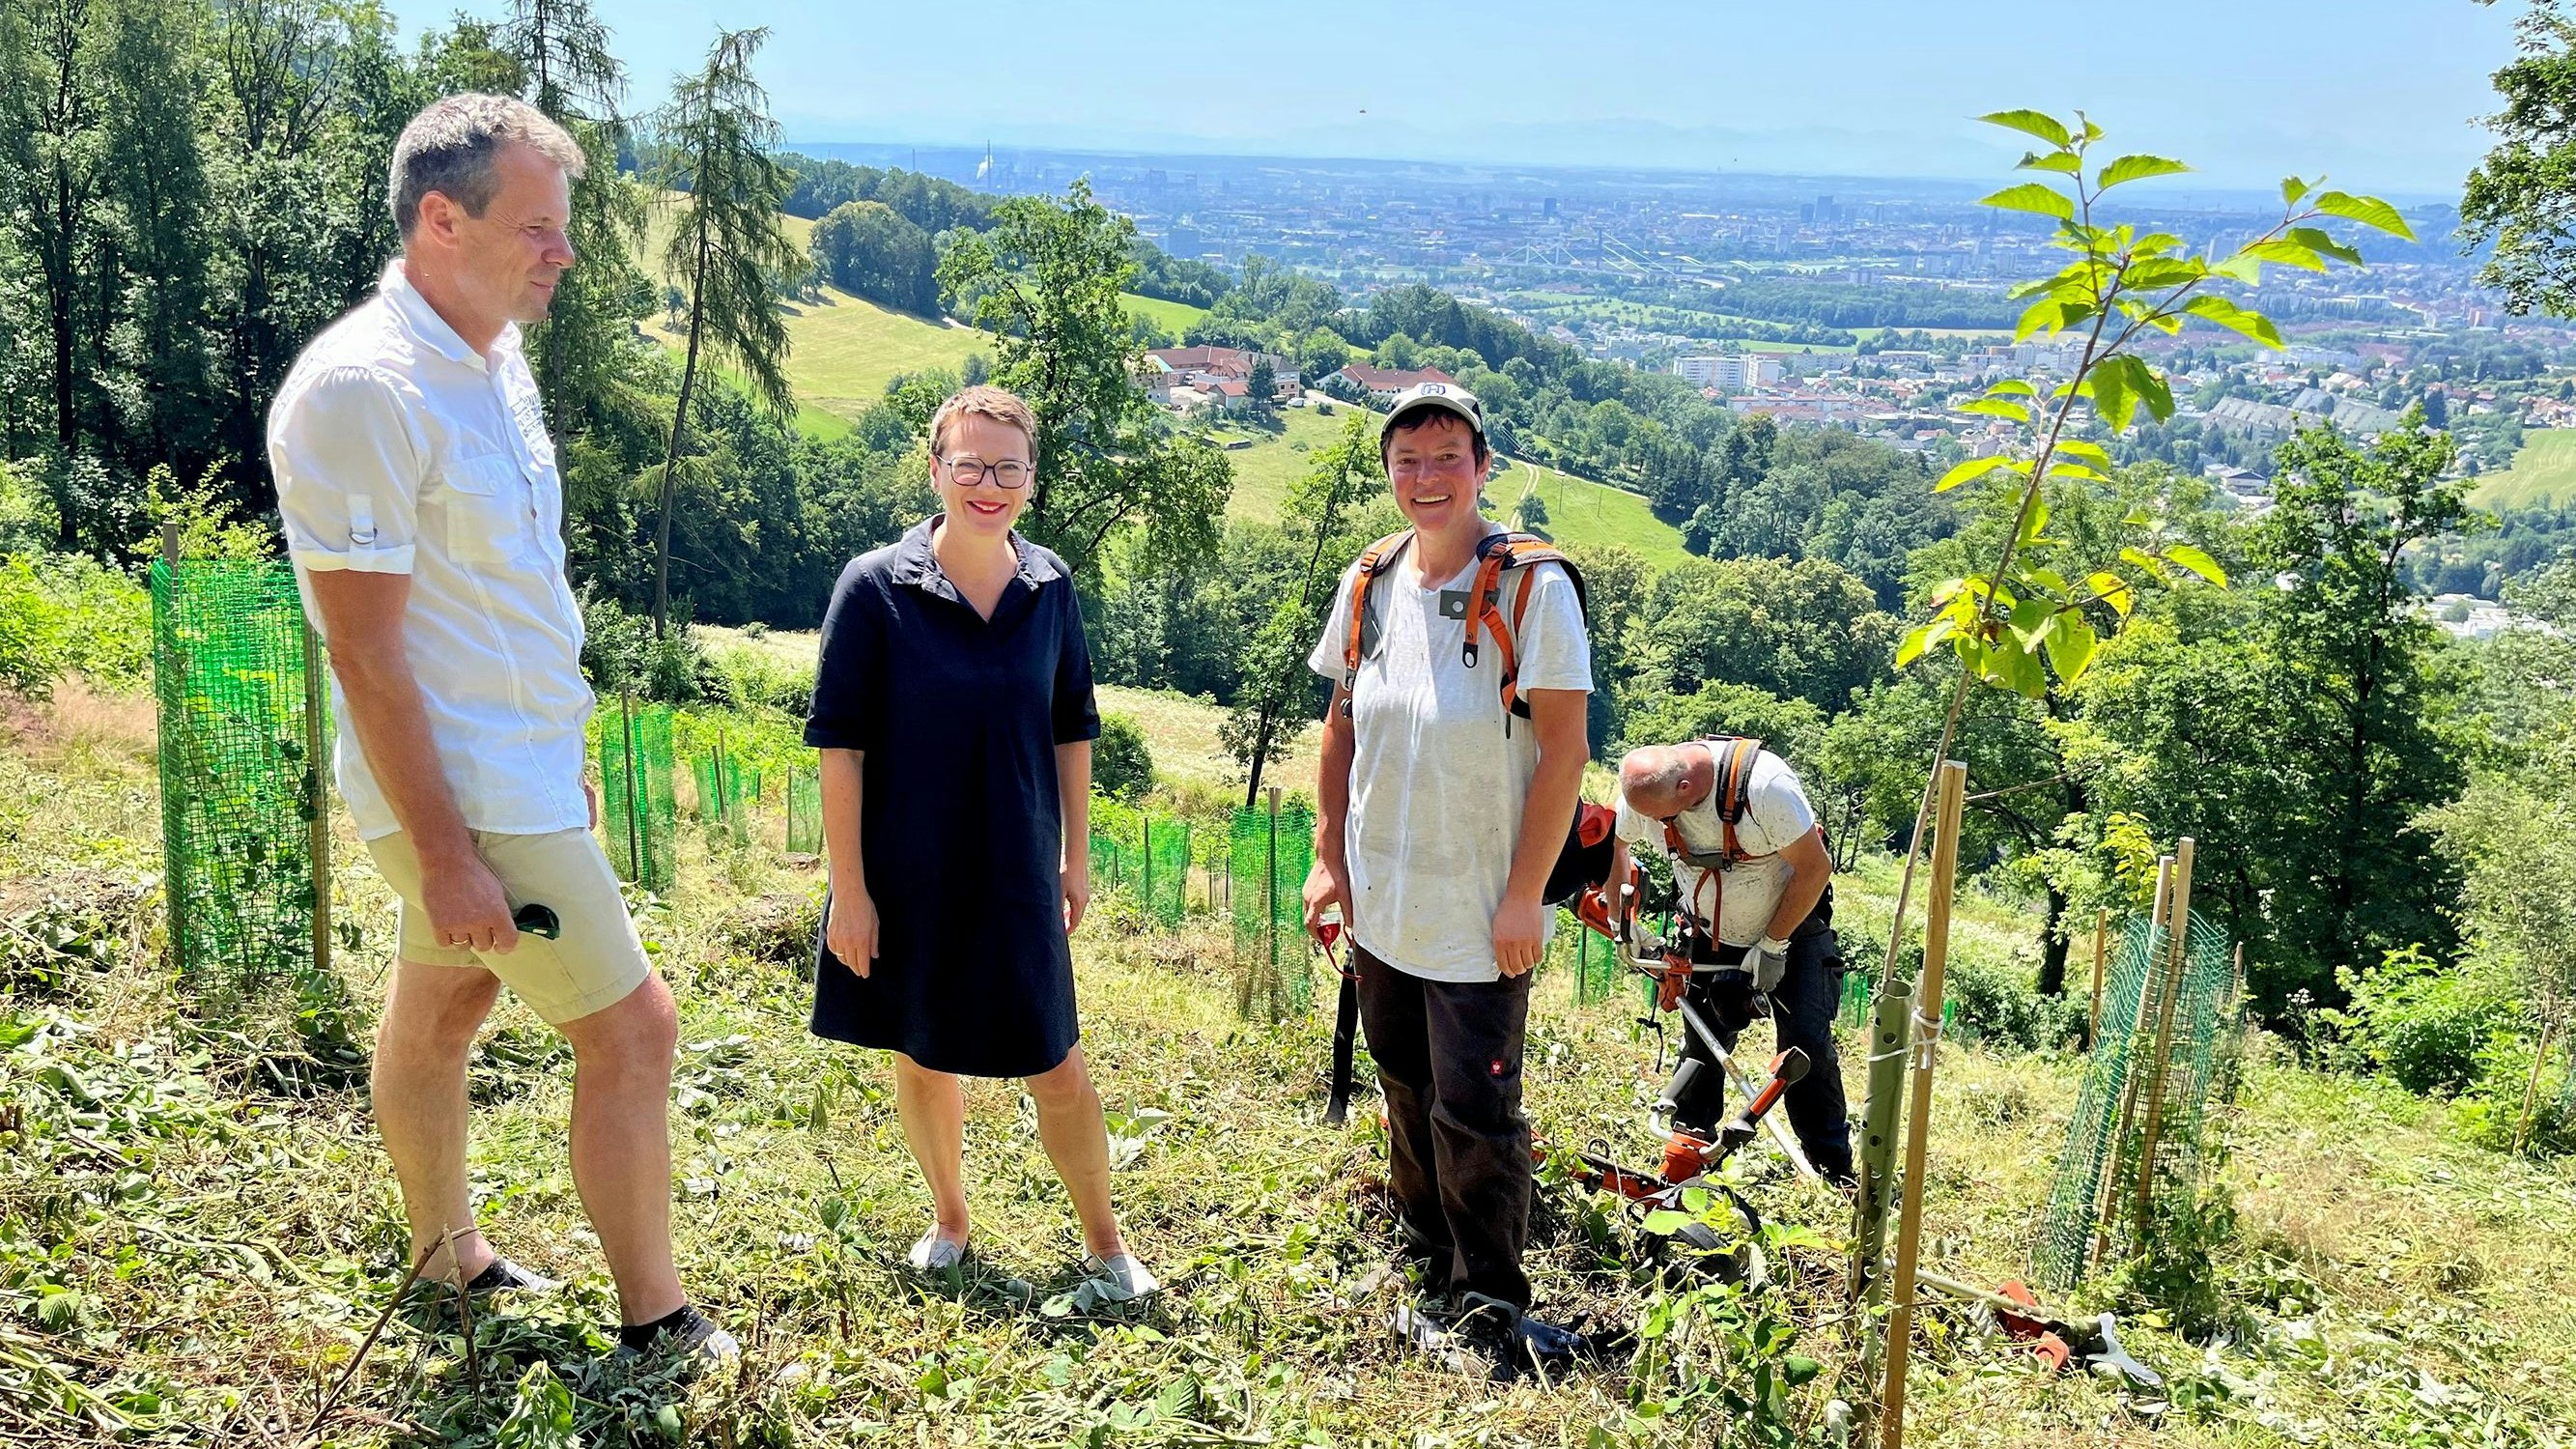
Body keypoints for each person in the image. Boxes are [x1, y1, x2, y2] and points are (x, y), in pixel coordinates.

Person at [269, 95, 731, 1363]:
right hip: (464, 795)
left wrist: (566, 750)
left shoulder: (489, 359)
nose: (563, 254)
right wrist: (448, 851)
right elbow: (363, 650)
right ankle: (657, 1326)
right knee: (634, 1028)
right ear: (439, 219)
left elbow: (514, 591)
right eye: (537, 228)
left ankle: (444, 1259)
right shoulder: (363, 391)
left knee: (440, 1009)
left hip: (518, 769)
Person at [804, 384, 1155, 1302]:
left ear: (1030, 479)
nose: (987, 483)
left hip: (1016, 870)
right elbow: (839, 744)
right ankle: (950, 1218)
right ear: (936, 469)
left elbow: (1071, 724)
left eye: (1006, 467)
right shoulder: (873, 588)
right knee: (922, 1051)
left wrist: (1077, 855)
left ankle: (1105, 1244)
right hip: (907, 869)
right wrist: (851, 890)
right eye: (970, 464)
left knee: (1055, 1059)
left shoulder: (1049, 588)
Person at [1300, 383, 1594, 1365]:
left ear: (1483, 466)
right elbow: (1341, 726)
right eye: (1407, 461)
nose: (1426, 479)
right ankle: (1425, 1255)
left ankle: (1489, 1304)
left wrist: (1524, 895)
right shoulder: (1370, 580)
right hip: (1383, 899)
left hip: (1478, 907)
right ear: (1388, 472)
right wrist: (1325, 855)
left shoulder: (1530, 589)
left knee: (1476, 1113)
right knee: (1402, 1081)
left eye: (1446, 459)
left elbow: (1564, 754)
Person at [1610, 740, 1854, 1186]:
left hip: (1793, 932)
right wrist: (1622, 922)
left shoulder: (1766, 788)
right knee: (1701, 1048)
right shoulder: (1648, 793)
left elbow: (1816, 867)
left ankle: (1834, 1171)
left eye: (1664, 818)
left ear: (1685, 788)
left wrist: (1774, 943)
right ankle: (1689, 1157)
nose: (1658, 826)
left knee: (1805, 1049)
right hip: (1709, 933)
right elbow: (1617, 847)